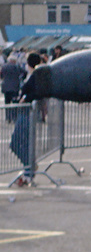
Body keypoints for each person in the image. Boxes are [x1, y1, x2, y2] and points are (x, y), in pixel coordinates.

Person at [8, 52, 44, 187]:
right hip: (25, 111)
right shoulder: (29, 75)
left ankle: (29, 166)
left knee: (16, 142)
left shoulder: (35, 76)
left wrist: (26, 98)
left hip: (28, 112)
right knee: (22, 142)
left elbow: (38, 92)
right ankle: (29, 167)